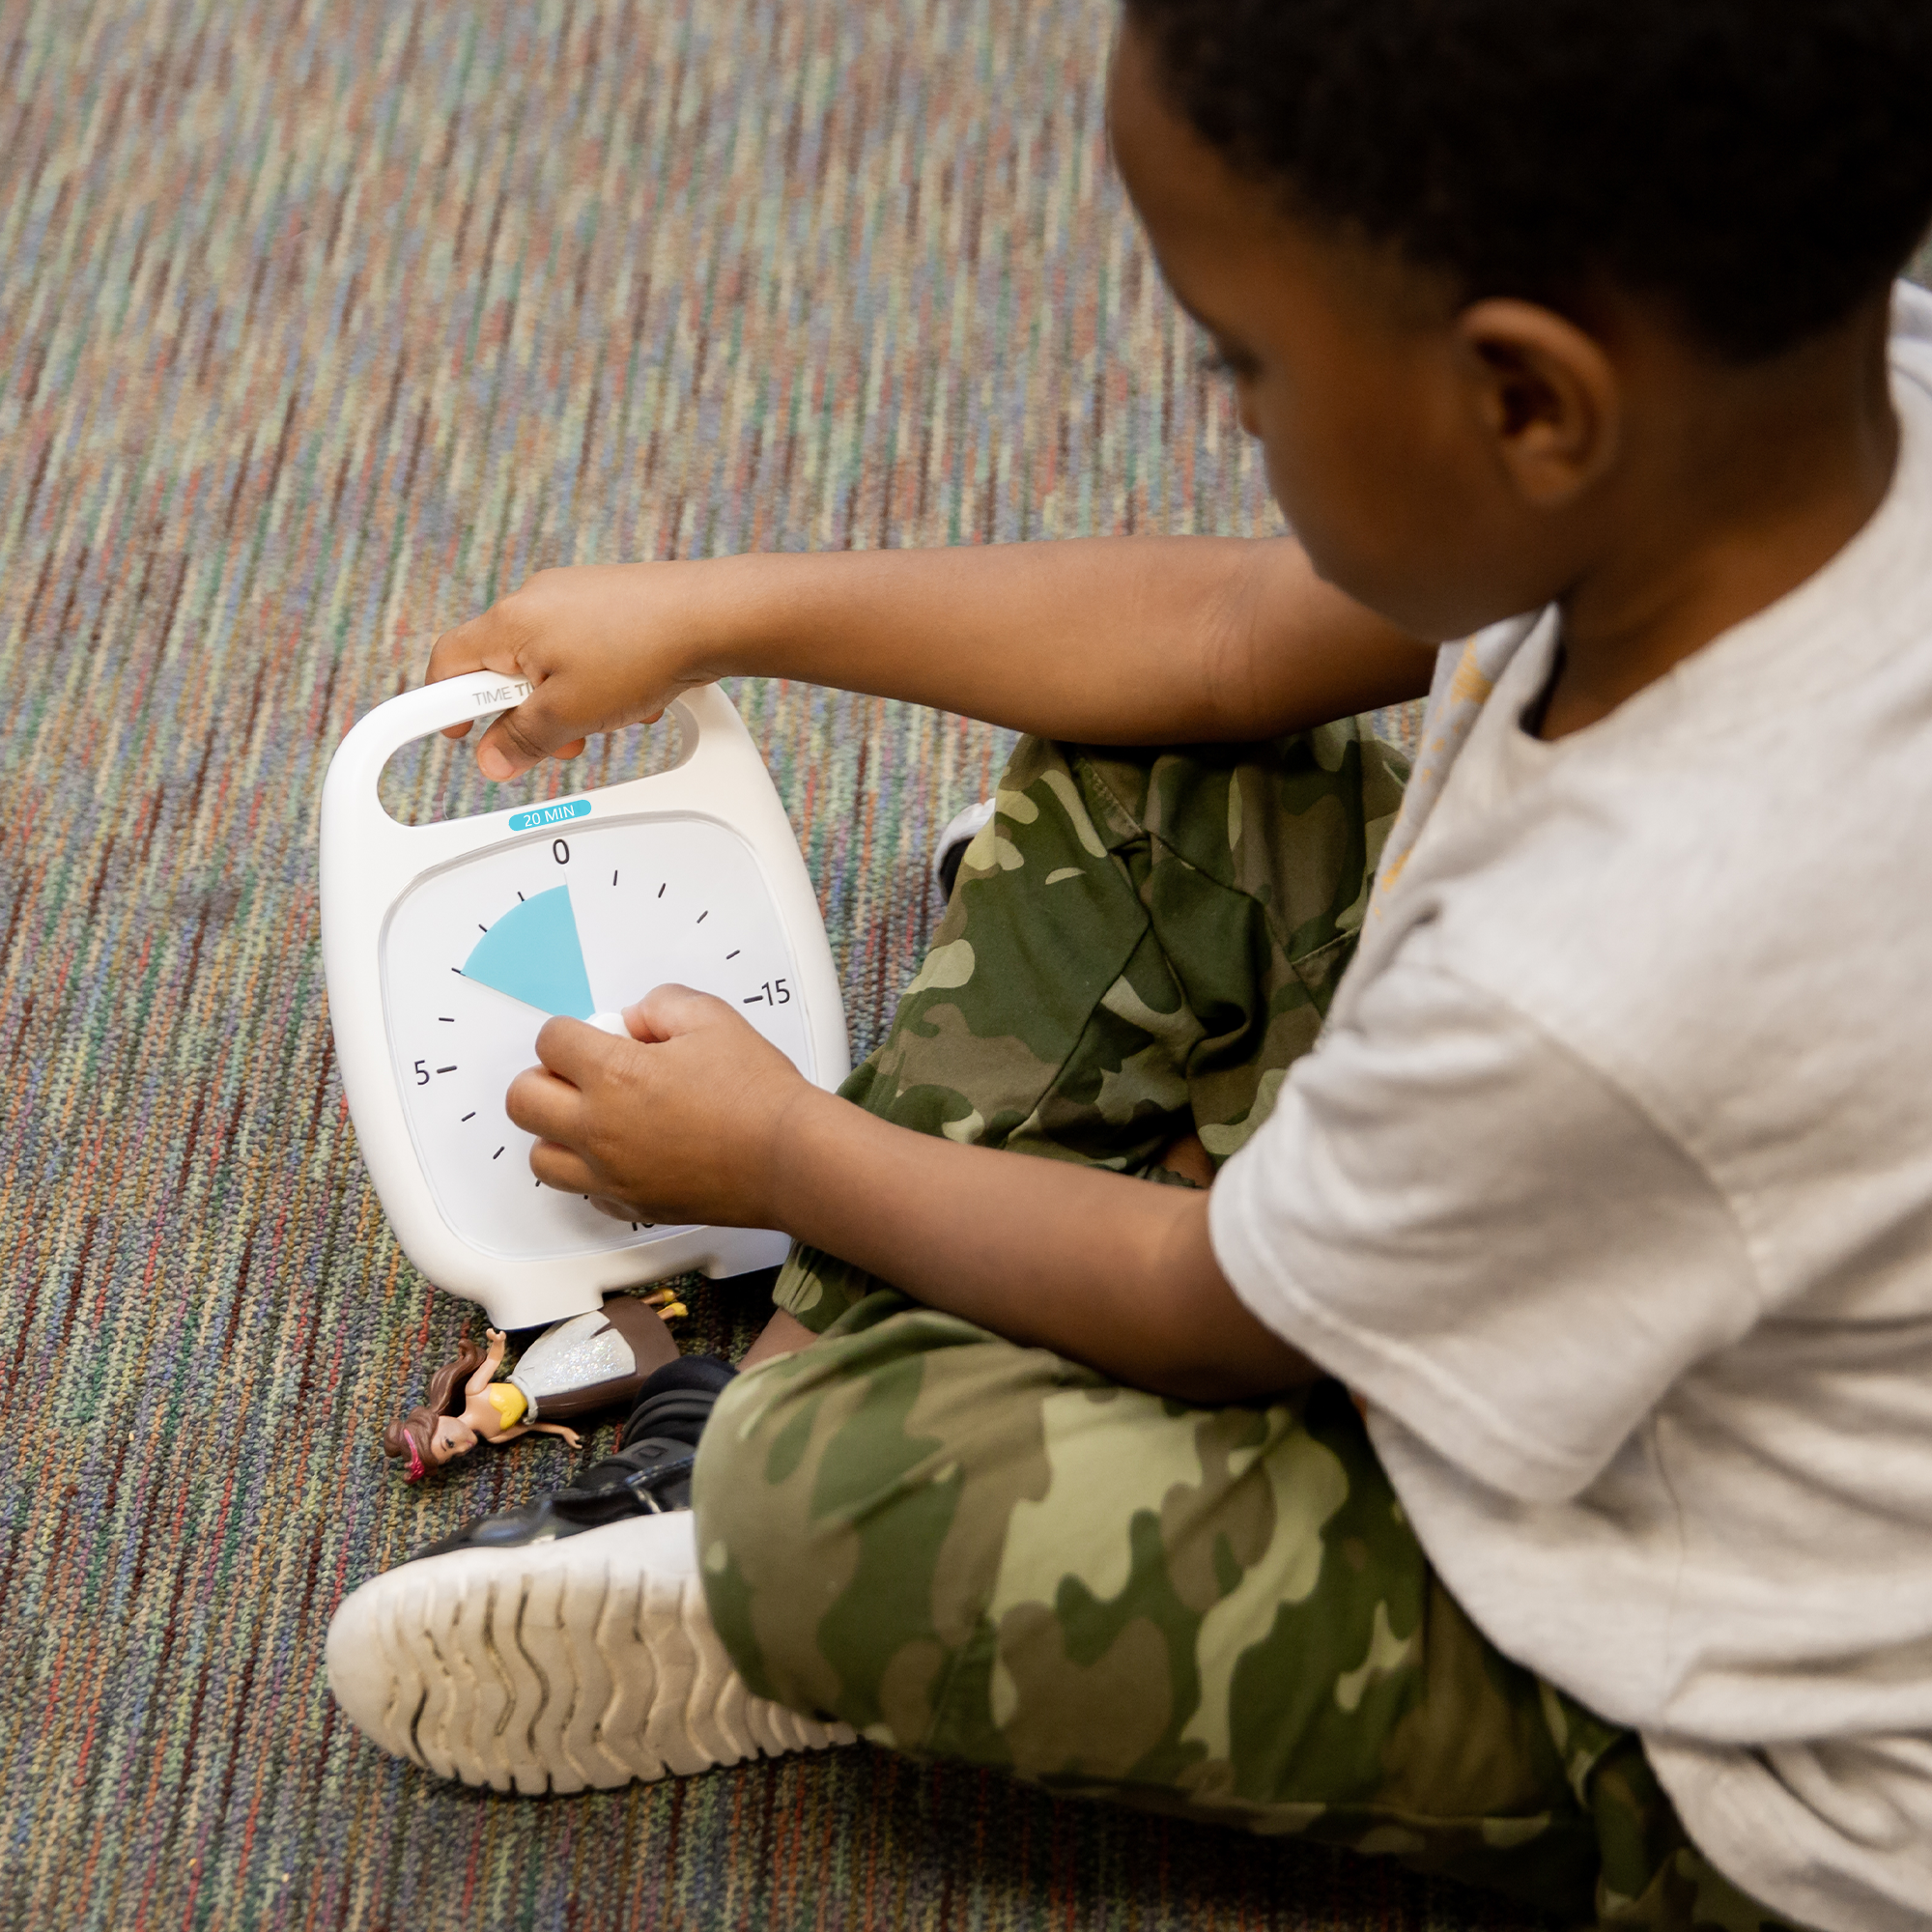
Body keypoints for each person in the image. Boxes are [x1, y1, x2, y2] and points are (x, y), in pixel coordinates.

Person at [325, 2, 1932, 1925]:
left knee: (834, 1501)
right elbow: (1225, 636)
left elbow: (1222, 1309)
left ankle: (750, 1488)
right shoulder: (1824, 396)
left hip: (1724, 1726)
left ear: (1528, 400)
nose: (1228, 412)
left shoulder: (1603, 973)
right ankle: (936, 1288)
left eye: (1243, 360)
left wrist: (776, 1157)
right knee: (1164, 779)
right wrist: (722, 611)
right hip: (1630, 1217)